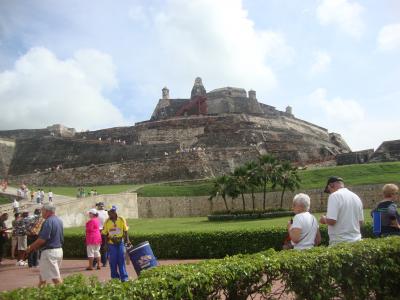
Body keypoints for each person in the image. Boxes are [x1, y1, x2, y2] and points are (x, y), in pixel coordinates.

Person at [26, 203, 64, 287]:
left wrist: (31, 247)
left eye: (42, 210)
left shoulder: (48, 221)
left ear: (47, 211)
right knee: (43, 278)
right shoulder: (59, 220)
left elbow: (42, 239)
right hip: (58, 250)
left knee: (55, 279)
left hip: (50, 252)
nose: (41, 212)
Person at [320, 176, 364, 245]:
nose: (330, 192)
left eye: (329, 190)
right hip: (357, 241)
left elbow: (332, 221)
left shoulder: (334, 196)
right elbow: (360, 222)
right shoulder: (356, 196)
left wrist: (324, 219)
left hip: (340, 242)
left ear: (331, 185)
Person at [102, 205, 129, 282]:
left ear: (115, 212)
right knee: (113, 261)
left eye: (112, 212)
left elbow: (126, 230)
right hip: (111, 244)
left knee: (121, 260)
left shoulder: (121, 219)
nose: (110, 213)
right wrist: (105, 244)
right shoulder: (107, 222)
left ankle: (124, 278)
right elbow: (104, 234)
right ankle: (115, 278)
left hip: (120, 243)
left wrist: (127, 241)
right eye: (109, 212)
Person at [94, 202, 108, 267]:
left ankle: (96, 262)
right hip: (102, 231)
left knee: (98, 247)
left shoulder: (96, 212)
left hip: (100, 231)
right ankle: (103, 262)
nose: (101, 206)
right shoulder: (106, 212)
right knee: (102, 247)